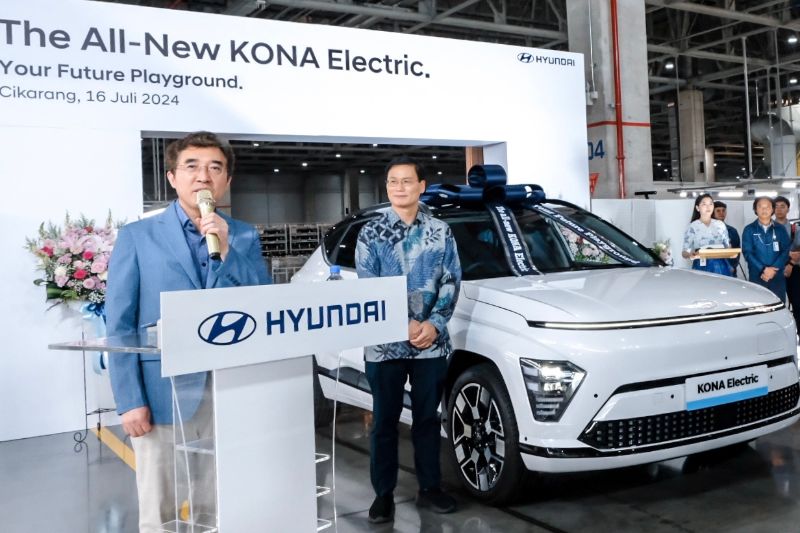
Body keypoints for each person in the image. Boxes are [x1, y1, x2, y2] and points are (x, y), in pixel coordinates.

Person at [106, 131, 271, 532]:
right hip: (160, 392)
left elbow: (263, 304)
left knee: (216, 502)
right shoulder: (137, 237)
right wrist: (129, 400)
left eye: (215, 167)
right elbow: (120, 325)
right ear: (172, 177)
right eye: (192, 166)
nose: (203, 176)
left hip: (226, 389)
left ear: (227, 180)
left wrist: (228, 252)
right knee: (159, 506)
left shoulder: (243, 235)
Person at [355, 155, 462, 524]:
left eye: (406, 181)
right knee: (384, 421)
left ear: (421, 186)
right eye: (392, 181)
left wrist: (434, 323)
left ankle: (430, 488)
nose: (399, 187)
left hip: (430, 343)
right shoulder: (370, 233)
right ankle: (383, 494)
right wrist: (400, 325)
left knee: (428, 420)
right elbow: (367, 286)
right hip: (384, 344)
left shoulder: (441, 231)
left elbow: (451, 280)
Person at [742, 196, 790, 300]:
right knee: (758, 304)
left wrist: (773, 270)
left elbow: (786, 250)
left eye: (767, 207)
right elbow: (747, 253)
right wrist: (764, 269)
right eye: (760, 206)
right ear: (755, 209)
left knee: (778, 304)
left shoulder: (780, 229)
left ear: (772, 209)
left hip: (777, 276)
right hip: (757, 276)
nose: (764, 209)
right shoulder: (749, 229)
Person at [681, 193, 732, 276]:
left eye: (711, 204)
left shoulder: (720, 225)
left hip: (720, 265)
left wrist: (731, 253)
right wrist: (691, 255)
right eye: (704, 204)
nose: (708, 207)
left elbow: (728, 246)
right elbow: (684, 252)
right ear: (697, 208)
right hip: (701, 265)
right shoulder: (693, 226)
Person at [713, 200, 741, 276]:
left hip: (729, 270)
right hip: (712, 270)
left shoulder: (732, 231)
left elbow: (737, 252)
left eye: (723, 210)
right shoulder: (707, 231)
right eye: (718, 211)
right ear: (712, 213)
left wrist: (732, 266)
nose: (721, 213)